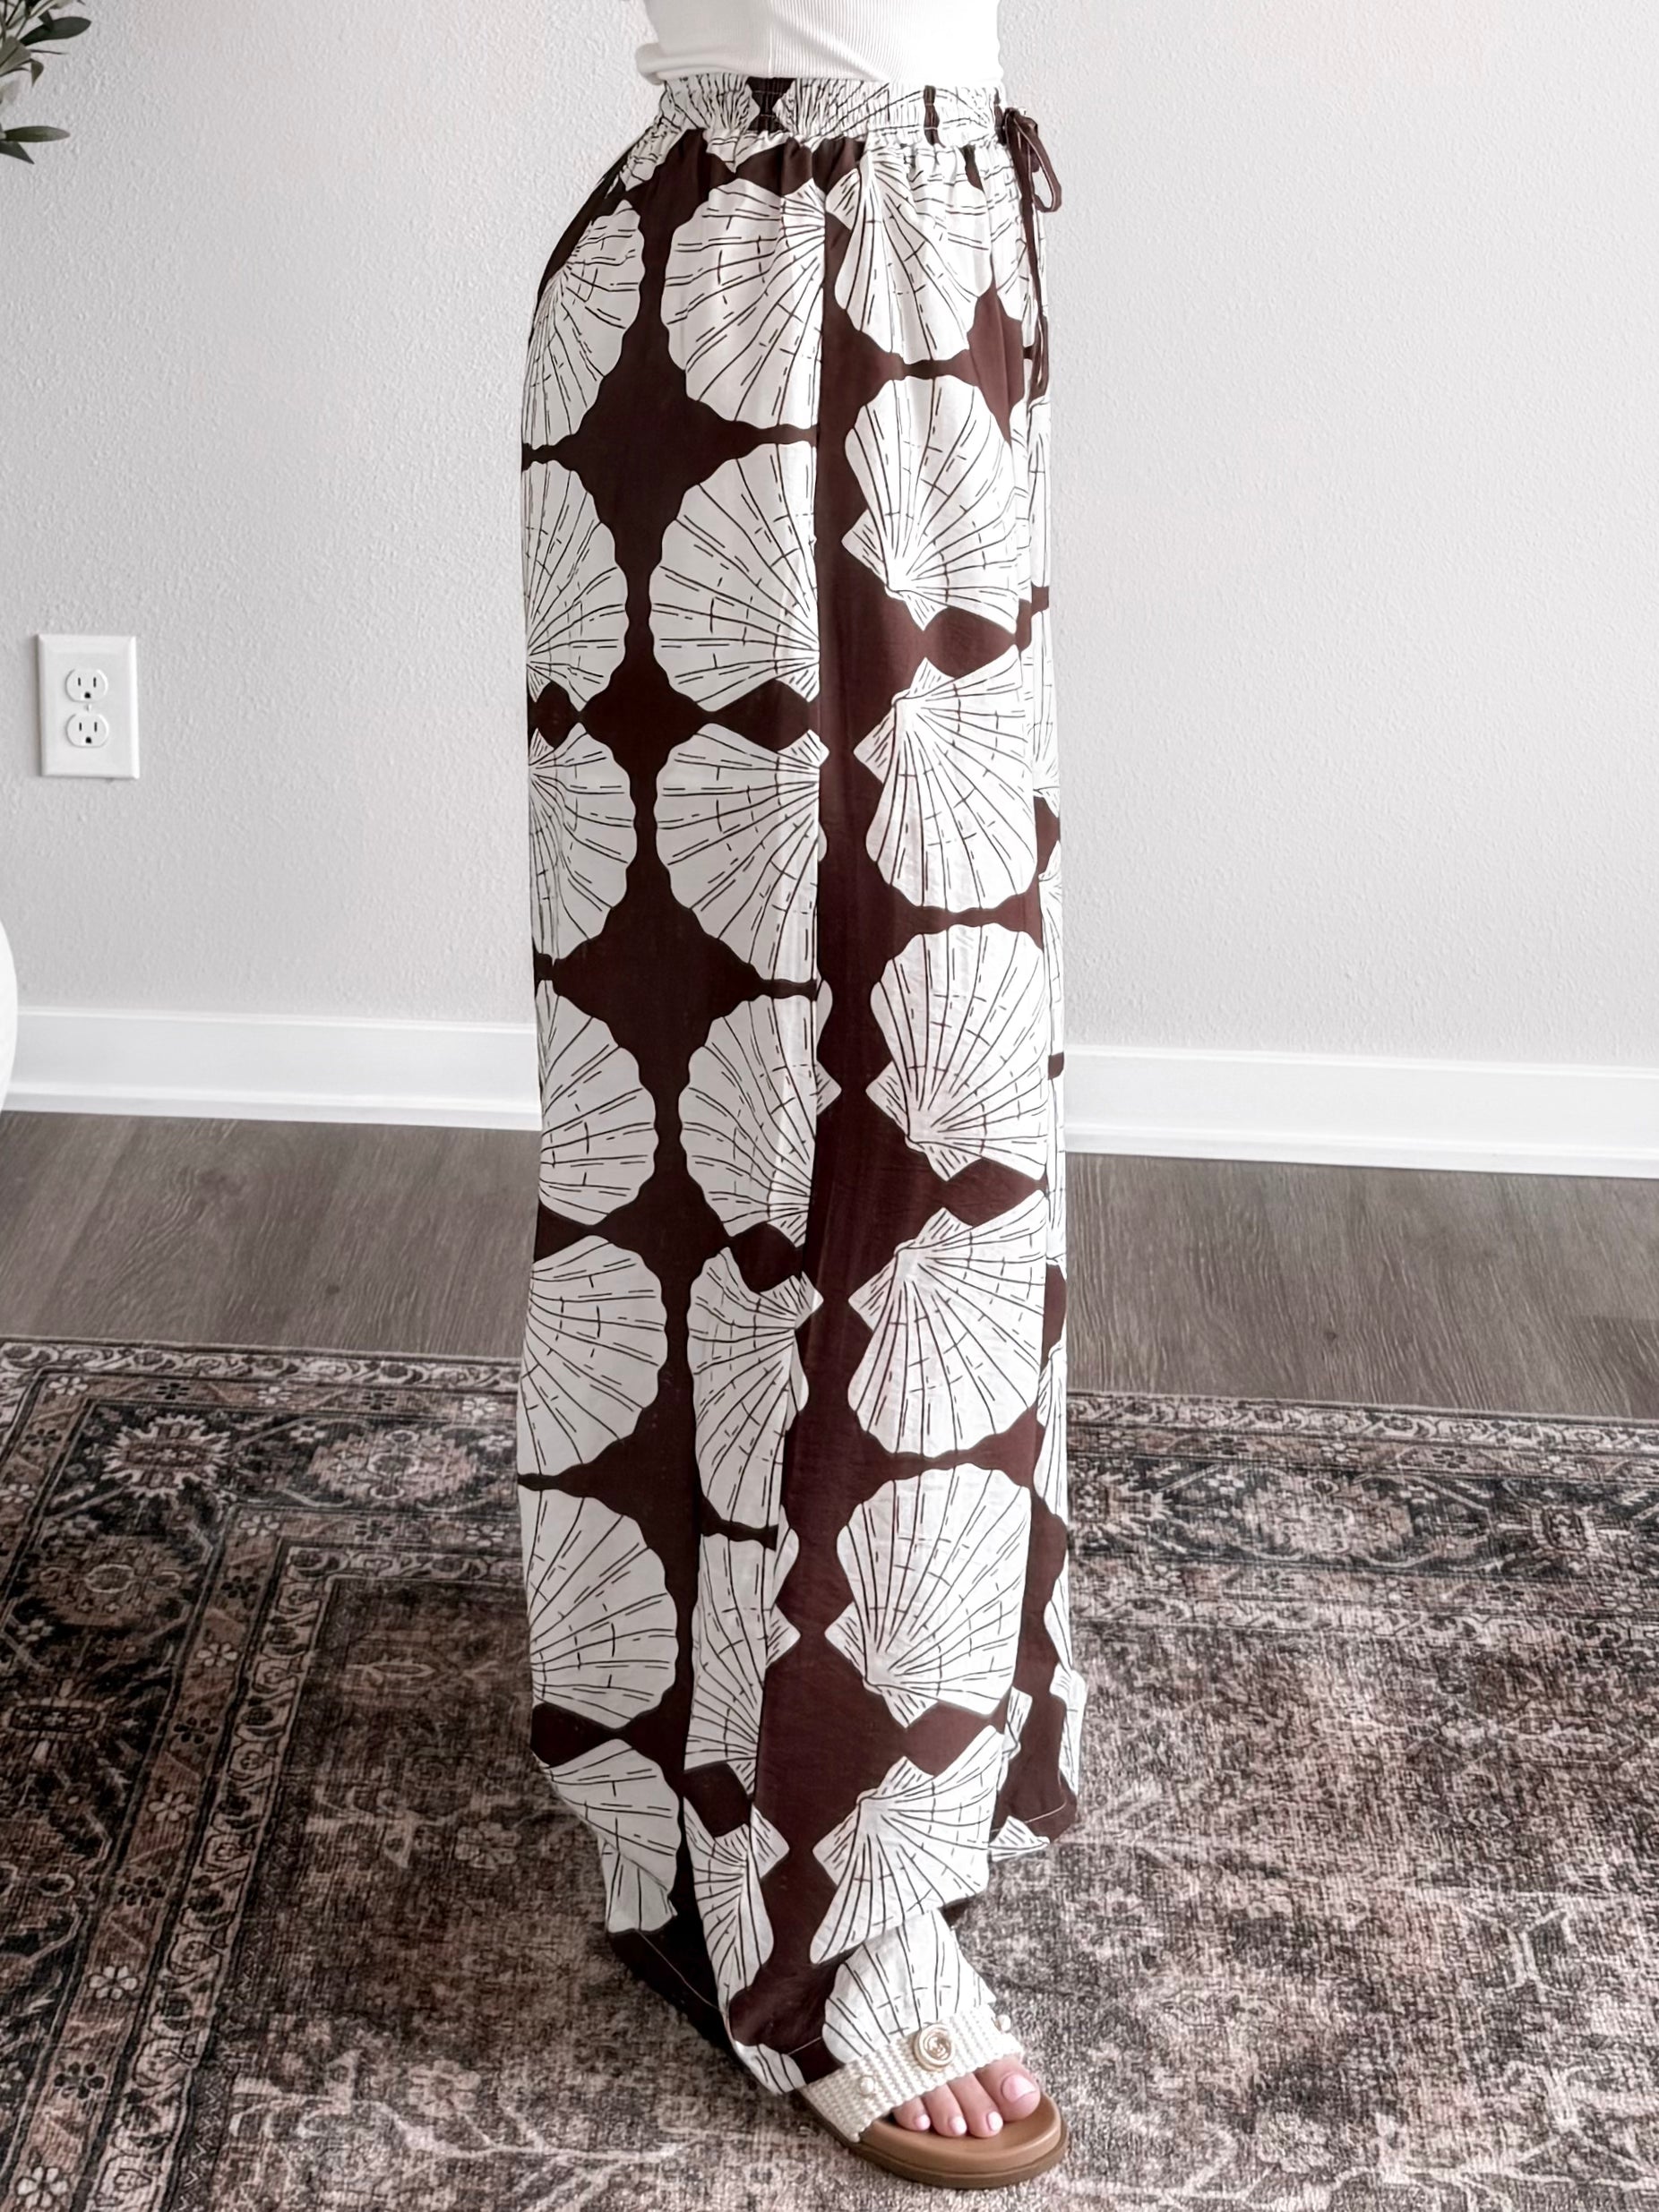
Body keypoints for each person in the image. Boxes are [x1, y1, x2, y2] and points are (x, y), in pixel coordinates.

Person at [513, 0, 1077, 2185]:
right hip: (781, 277)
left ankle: (725, 1739)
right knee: (819, 1089)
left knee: (866, 1059)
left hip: (914, 250)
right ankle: (819, 1872)